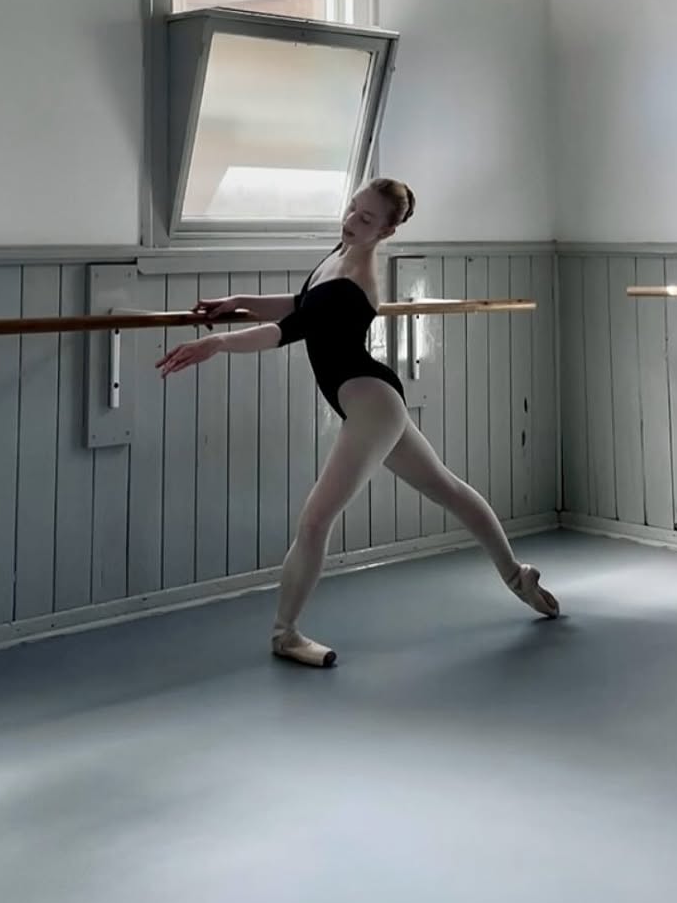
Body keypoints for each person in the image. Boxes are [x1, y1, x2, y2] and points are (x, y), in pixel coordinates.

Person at [156, 177, 559, 667]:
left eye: (365, 218)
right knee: (446, 488)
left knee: (315, 520)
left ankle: (285, 633)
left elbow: (287, 331)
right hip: (373, 403)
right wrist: (239, 301)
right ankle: (517, 575)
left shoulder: (357, 280)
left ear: (385, 232)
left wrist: (218, 343)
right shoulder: (341, 252)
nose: (350, 221)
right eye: (351, 208)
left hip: (371, 408)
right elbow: (302, 303)